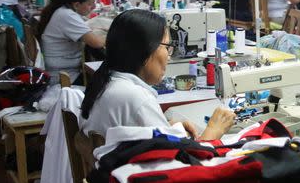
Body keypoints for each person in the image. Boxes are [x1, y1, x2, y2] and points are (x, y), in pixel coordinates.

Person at [81, 9, 234, 140]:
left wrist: (167, 128)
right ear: (145, 50)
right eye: (167, 47)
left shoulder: (107, 81)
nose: (168, 56)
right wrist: (213, 131)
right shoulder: (136, 98)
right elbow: (179, 166)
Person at [37, 0, 105, 84]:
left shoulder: (62, 10)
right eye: (90, 3)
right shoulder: (67, 15)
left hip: (63, 71)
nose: (94, 7)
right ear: (76, 4)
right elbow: (97, 43)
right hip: (64, 78)